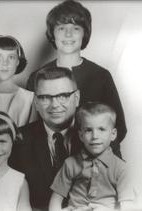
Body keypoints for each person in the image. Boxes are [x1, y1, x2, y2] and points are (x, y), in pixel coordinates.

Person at [26, 0, 126, 157]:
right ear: (52, 33)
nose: (68, 34)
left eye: (76, 28)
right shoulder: (37, 77)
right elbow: (30, 128)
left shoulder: (101, 76)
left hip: (95, 161)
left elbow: (119, 127)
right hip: (50, 160)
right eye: (61, 28)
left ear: (84, 33)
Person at [9, 67, 82, 211]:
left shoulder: (98, 135)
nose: (54, 105)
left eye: (63, 96)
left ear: (77, 98)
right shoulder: (18, 140)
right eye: (45, 97)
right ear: (36, 102)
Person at [49, 102, 134, 211]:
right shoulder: (70, 163)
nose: (95, 136)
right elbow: (56, 199)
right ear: (81, 135)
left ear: (113, 134)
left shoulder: (121, 168)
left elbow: (128, 206)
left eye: (101, 129)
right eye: (88, 130)